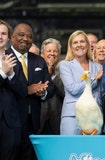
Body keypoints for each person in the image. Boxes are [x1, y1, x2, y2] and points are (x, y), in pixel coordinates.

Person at [6, 23, 54, 160]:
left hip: (31, 121)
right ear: (12, 37)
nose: (25, 39)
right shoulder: (4, 57)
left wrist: (42, 92)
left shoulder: (39, 60)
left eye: (29, 36)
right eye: (21, 35)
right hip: (8, 121)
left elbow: (50, 87)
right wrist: (28, 90)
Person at [59, 30, 102, 135]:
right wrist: (94, 80)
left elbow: (102, 93)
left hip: (94, 117)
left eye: (82, 41)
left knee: (93, 150)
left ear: (87, 45)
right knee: (69, 150)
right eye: (75, 42)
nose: (79, 45)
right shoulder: (65, 65)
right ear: (71, 47)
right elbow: (73, 89)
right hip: (72, 115)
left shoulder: (98, 67)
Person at [0, 19, 27, 160]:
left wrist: (11, 74)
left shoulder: (14, 60)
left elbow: (23, 91)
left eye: (3, 33)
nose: (0, 37)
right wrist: (3, 73)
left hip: (10, 123)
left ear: (9, 37)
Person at [38, 38, 64, 134]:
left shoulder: (64, 71)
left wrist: (52, 75)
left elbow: (65, 93)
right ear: (42, 54)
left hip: (57, 120)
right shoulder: (35, 70)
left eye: (55, 51)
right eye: (49, 51)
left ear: (59, 55)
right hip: (39, 119)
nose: (52, 53)